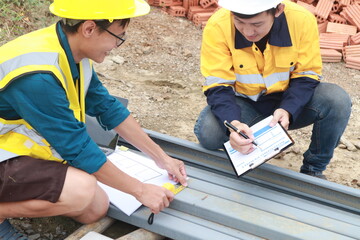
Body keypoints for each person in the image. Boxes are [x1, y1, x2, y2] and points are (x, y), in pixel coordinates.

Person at [0, 0, 188, 238]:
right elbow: (76, 147)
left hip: (13, 148)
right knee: (82, 190)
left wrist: (162, 158)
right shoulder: (38, 77)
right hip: (4, 153)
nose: (118, 45)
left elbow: (107, 108)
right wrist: (140, 190)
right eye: (117, 37)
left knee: (95, 209)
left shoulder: (71, 51)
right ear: (89, 29)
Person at [194, 0, 351, 179]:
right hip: (245, 104)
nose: (248, 31)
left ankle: (314, 170)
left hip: (290, 103)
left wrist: (289, 109)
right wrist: (234, 124)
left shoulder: (301, 21)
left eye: (257, 24)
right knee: (209, 132)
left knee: (336, 100)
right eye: (239, 22)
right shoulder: (218, 26)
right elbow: (218, 85)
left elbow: (307, 75)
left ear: (278, 10)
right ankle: (243, 153)